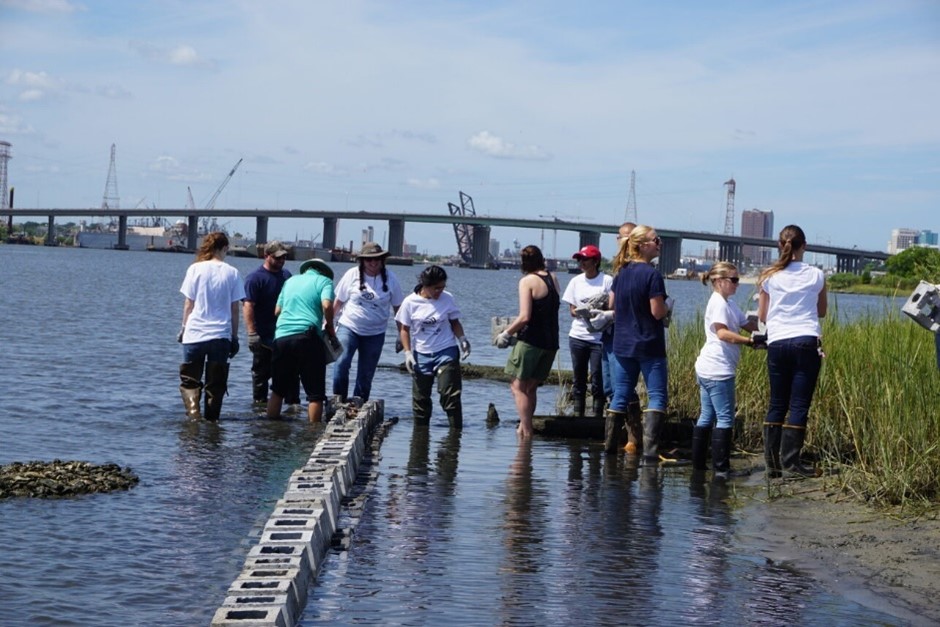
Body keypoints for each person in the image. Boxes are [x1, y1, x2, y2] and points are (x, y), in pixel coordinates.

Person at [758, 224, 827, 478]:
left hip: (777, 343)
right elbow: (821, 312)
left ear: (780, 245)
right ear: (804, 246)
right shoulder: (816, 275)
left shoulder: (768, 276)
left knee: (776, 402)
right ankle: (792, 464)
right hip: (805, 341)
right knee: (798, 404)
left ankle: (771, 466)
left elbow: (763, 315)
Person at [606, 225, 669, 460]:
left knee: (620, 394)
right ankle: (650, 455)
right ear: (643, 245)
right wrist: (666, 307)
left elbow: (611, 305)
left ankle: (610, 451)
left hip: (622, 343)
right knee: (657, 395)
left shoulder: (621, 273)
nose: (660, 243)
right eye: (656, 240)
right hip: (649, 344)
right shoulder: (652, 275)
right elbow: (656, 312)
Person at [692, 262, 760, 474]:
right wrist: (749, 342)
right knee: (724, 417)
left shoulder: (728, 303)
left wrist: (769, 327)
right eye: (734, 280)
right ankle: (721, 469)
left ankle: (699, 466)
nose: (737, 284)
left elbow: (747, 322)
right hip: (717, 369)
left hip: (707, 367)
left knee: (706, 415)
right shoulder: (719, 304)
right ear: (719, 282)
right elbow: (722, 333)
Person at [177, 231, 245, 421]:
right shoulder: (232, 272)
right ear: (224, 248)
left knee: (190, 382)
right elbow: (234, 309)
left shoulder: (194, 269)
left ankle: (193, 417)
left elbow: (188, 304)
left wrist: (183, 328)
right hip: (220, 336)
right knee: (216, 384)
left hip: (194, 335)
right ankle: (212, 423)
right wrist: (235, 337)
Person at [495, 245, 561, 439]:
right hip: (551, 343)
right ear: (542, 259)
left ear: (523, 263)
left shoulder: (527, 281)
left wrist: (506, 333)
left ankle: (526, 429)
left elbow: (525, 317)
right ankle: (525, 429)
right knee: (531, 387)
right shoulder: (553, 278)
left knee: (517, 386)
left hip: (531, 341)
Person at [396, 265, 471, 429]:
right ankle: (420, 438)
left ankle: (455, 435)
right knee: (420, 399)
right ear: (425, 285)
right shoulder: (410, 302)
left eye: (443, 287)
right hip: (421, 353)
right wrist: (408, 353)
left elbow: (455, 322)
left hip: (446, 350)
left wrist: (462, 339)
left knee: (449, 395)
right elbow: (404, 330)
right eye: (436, 288)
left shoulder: (447, 298)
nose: (440, 292)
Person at [332, 242, 404, 403]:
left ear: (382, 260)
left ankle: (359, 402)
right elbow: (338, 302)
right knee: (341, 363)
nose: (373, 263)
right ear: (362, 261)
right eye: (369, 260)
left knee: (366, 372)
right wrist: (327, 324)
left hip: (375, 333)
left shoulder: (391, 278)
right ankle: (339, 400)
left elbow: (398, 308)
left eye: (377, 259)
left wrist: (402, 335)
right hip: (349, 326)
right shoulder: (352, 274)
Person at [266, 259, 336, 422]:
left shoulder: (290, 281)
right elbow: (327, 305)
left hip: (282, 337)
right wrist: (330, 328)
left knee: (277, 390)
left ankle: (269, 430)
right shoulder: (324, 281)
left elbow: (277, 311)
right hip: (308, 337)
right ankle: (312, 435)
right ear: (324, 271)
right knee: (315, 395)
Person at [561, 244, 612, 417]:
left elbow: (612, 307)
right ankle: (578, 416)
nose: (581, 263)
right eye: (579, 259)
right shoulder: (575, 281)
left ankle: (597, 417)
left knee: (598, 378)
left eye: (585, 259)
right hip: (577, 336)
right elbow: (572, 311)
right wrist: (583, 311)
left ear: (596, 261)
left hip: (599, 338)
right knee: (578, 379)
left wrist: (600, 308)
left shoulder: (606, 280)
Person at [243, 241, 291, 404]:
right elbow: (248, 305)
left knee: (288, 375)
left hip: (284, 335)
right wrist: (251, 333)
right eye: (277, 258)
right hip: (262, 337)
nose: (281, 261)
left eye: (283, 258)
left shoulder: (287, 276)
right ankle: (260, 407)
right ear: (266, 256)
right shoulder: (255, 278)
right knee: (260, 375)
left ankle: (290, 407)